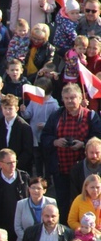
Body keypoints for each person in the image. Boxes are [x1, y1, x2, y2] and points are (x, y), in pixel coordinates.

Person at [41, 84, 101, 221]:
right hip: (61, 168)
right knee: (62, 203)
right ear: (62, 99)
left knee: (84, 202)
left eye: (73, 97)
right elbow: (45, 136)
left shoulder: (91, 116)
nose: (70, 101)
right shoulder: (56, 116)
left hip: (84, 171)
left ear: (80, 98)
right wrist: (55, 142)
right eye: (66, 98)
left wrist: (84, 144)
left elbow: (98, 137)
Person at [0, 94, 33, 171]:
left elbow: (27, 151)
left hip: (19, 169)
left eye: (10, 108)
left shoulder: (24, 127)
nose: (7, 111)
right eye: (5, 108)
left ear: (16, 109)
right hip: (0, 168)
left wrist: (13, 166)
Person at [13, 177, 57, 241]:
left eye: (39, 188)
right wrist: (28, 239)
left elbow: (55, 223)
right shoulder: (21, 204)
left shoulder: (51, 202)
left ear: (44, 190)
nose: (35, 191)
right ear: (29, 189)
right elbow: (17, 227)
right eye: (33, 188)